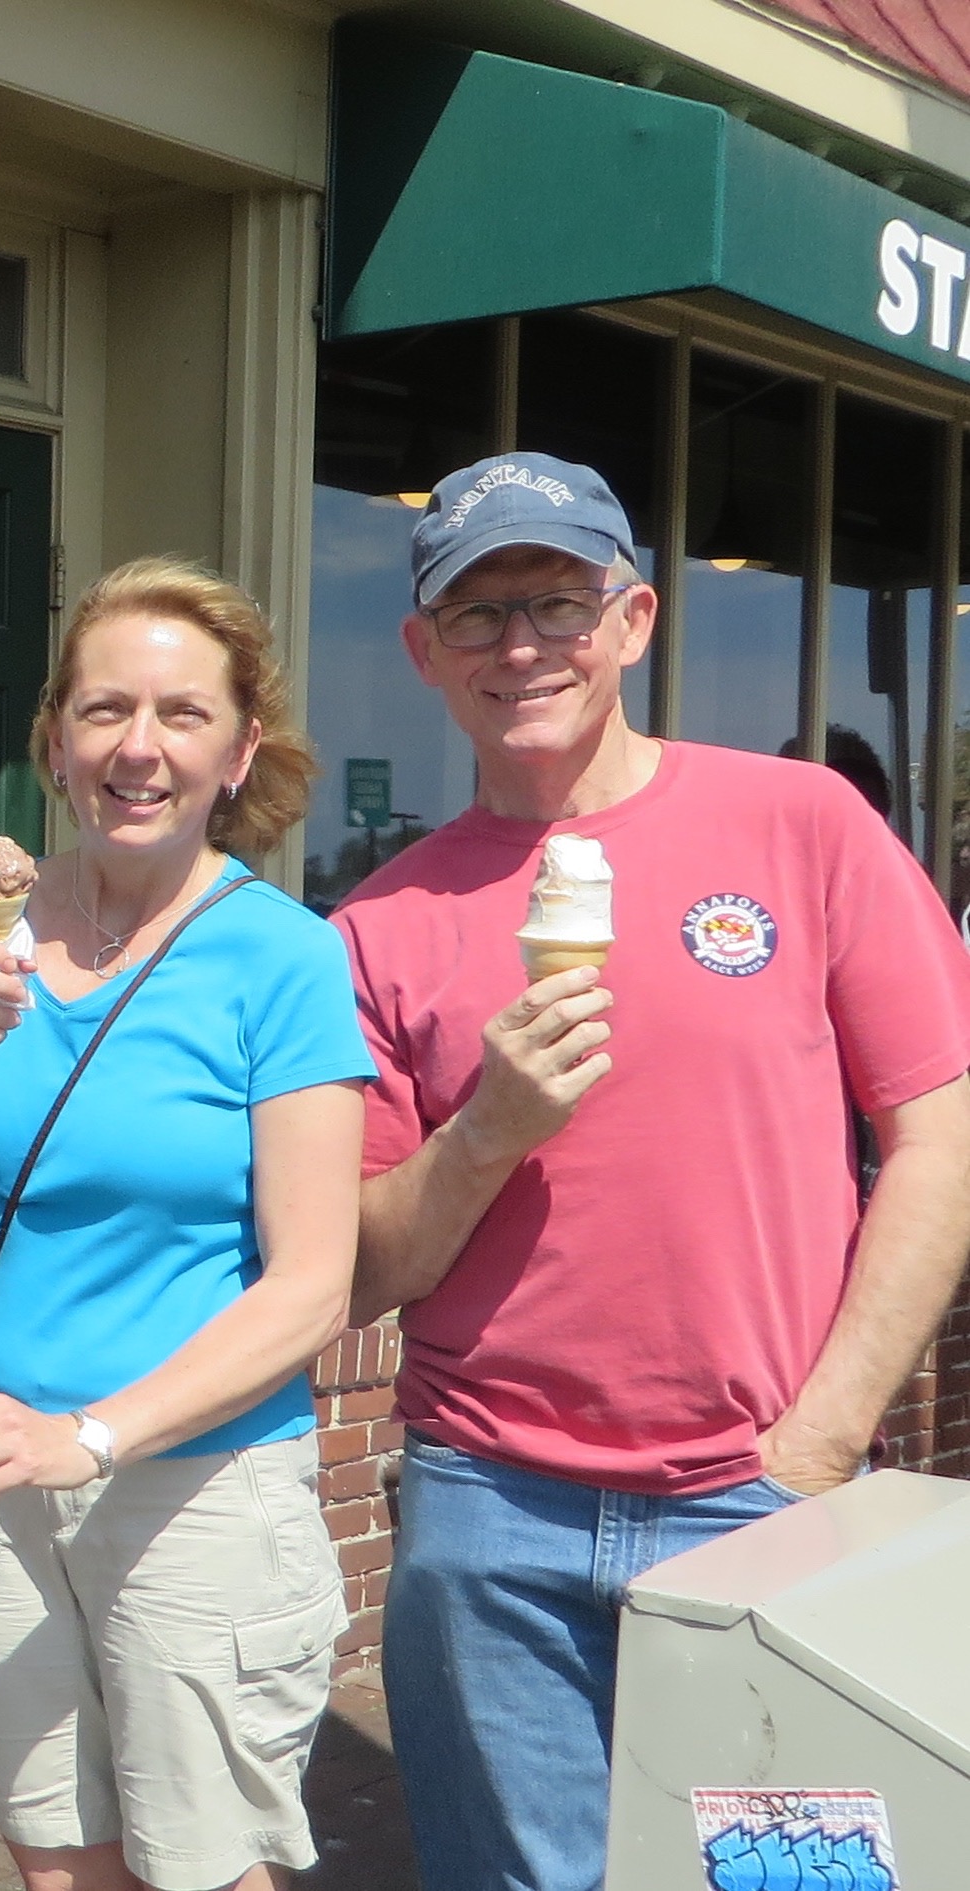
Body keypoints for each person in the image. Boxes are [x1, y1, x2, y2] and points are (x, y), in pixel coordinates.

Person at [331, 453, 970, 1891]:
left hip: (767, 1494)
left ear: (632, 620)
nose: (520, 647)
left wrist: (822, 1440)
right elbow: (364, 1267)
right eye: (477, 613)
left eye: (557, 603)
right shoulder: (378, 921)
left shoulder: (801, 825)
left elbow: (941, 1137)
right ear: (423, 652)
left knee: (784, 1884)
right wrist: (486, 1128)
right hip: (488, 1518)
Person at [0, 557, 369, 1891]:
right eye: (105, 709)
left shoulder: (283, 958)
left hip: (195, 1494)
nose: (139, 747)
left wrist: (93, 1437)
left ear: (239, 752)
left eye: (182, 715)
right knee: (61, 1874)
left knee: (208, 1874)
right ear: (55, 739)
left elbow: (311, 1286)